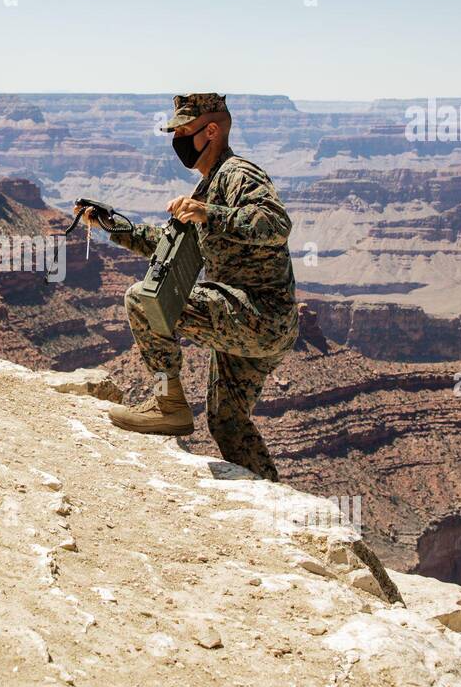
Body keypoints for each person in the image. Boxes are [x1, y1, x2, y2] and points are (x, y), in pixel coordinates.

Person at [81, 93, 298, 481]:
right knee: (227, 422)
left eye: (183, 131)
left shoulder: (238, 175)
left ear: (210, 131)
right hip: (250, 319)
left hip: (259, 315)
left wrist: (208, 213)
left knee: (145, 300)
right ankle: (274, 501)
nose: (177, 140)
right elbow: (166, 244)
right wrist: (110, 224)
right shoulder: (208, 186)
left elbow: (275, 224)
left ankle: (169, 403)